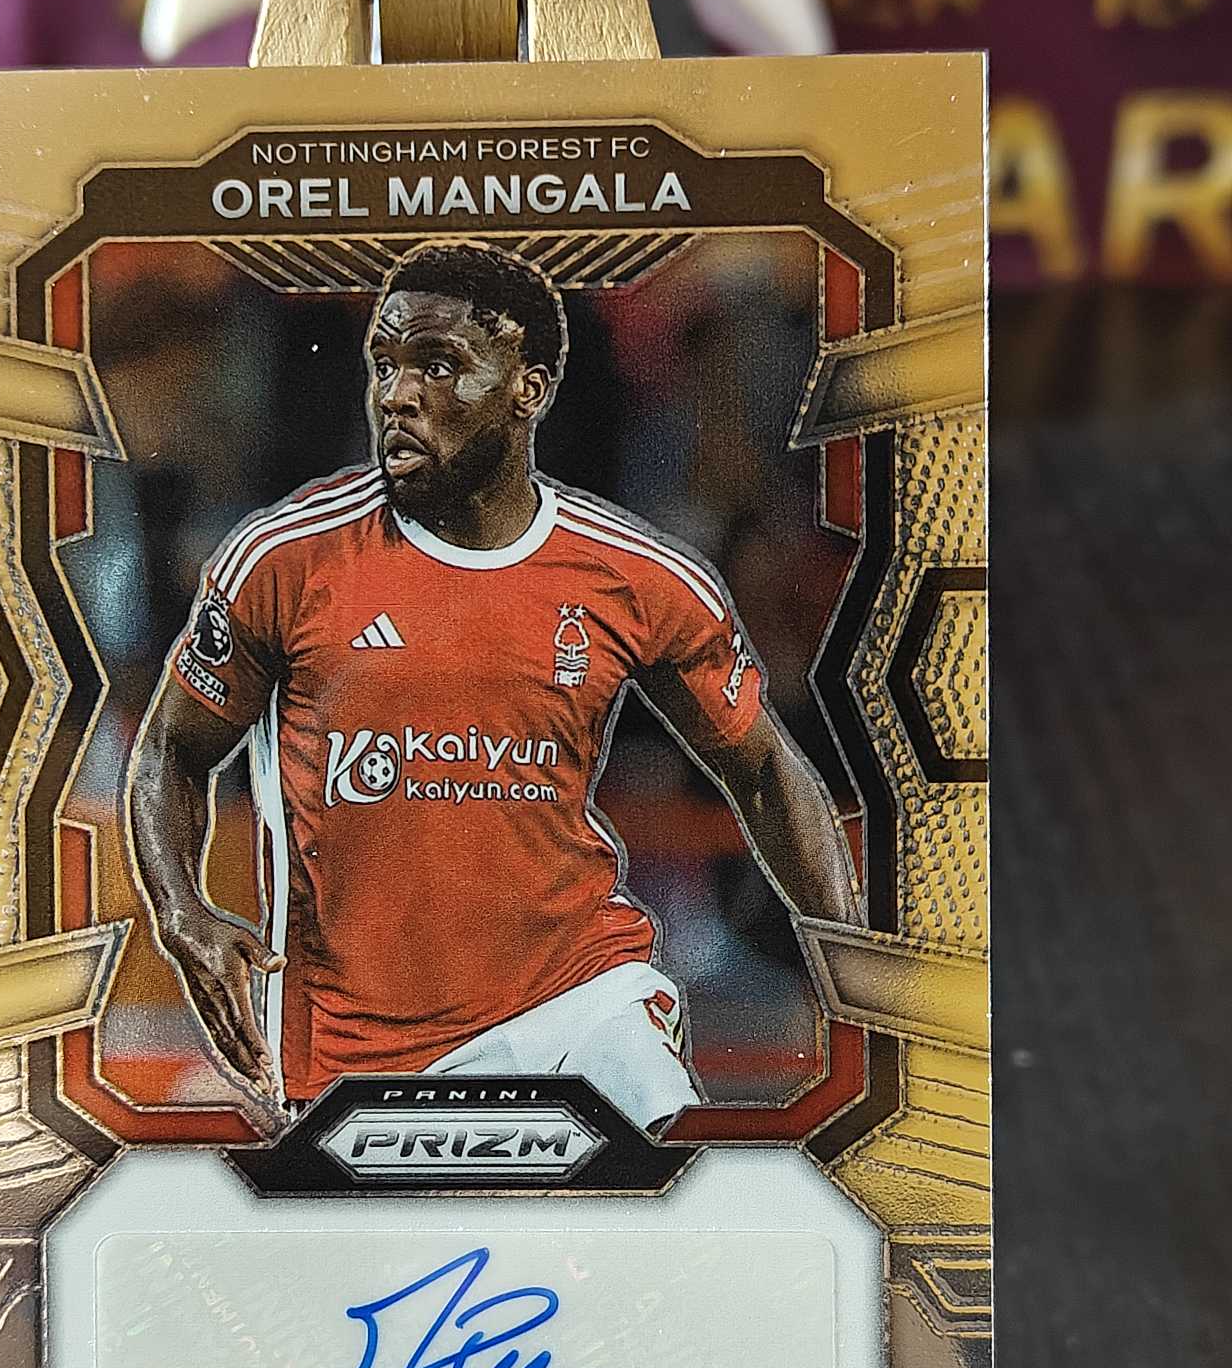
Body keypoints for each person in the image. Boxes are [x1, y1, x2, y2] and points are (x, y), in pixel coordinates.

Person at [128, 242, 860, 1133]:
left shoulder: (638, 577)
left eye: (437, 366)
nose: (397, 395)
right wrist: (182, 910)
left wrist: (853, 973)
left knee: (670, 1167)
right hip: (356, 1049)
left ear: (529, 389)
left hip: (582, 1002)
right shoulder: (282, 561)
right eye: (385, 365)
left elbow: (766, 770)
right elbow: (171, 748)